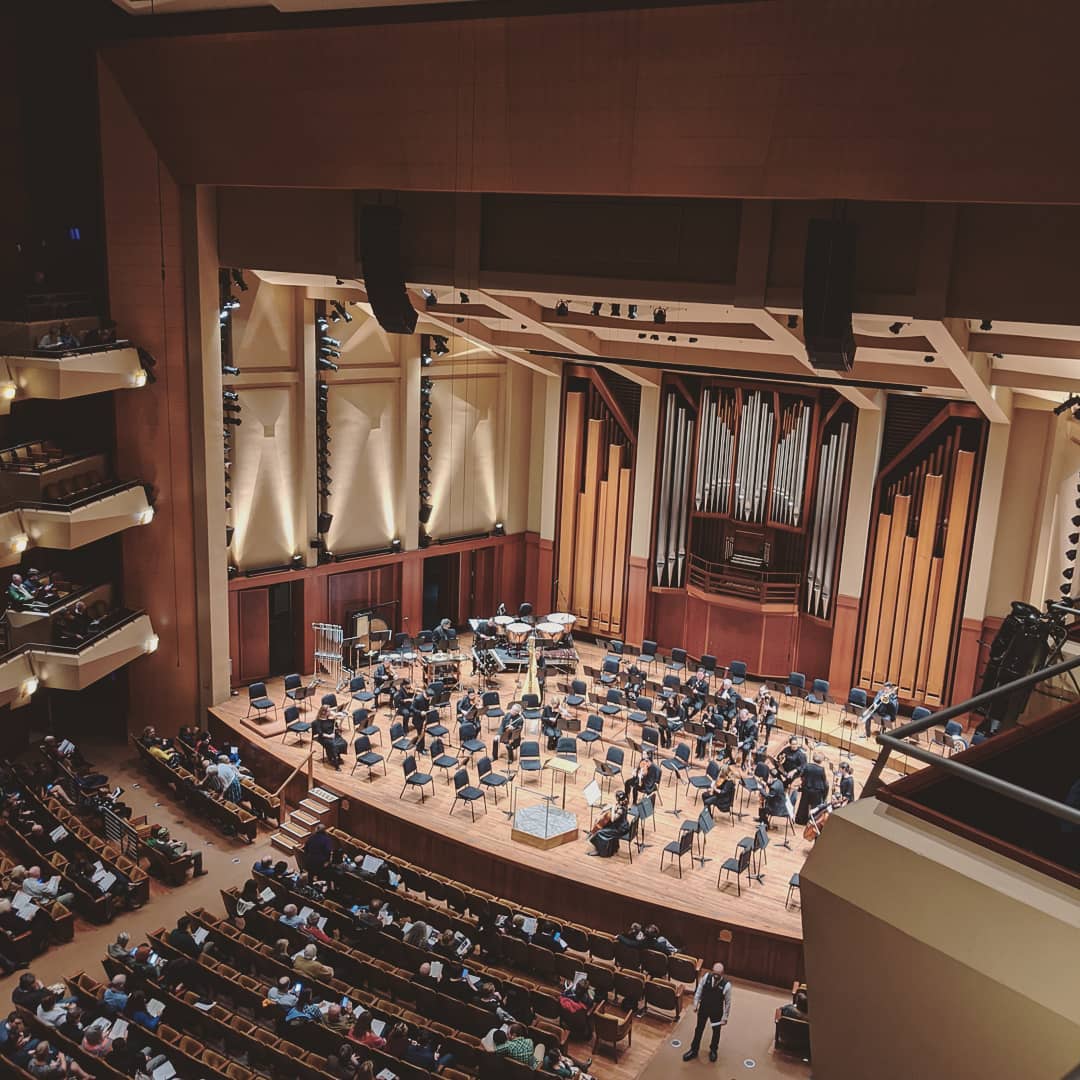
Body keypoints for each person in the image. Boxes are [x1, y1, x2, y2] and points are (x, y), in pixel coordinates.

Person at [682, 962, 732, 1063]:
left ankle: (713, 1050)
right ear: (712, 971)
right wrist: (695, 1003)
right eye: (714, 974)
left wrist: (725, 1017)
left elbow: (727, 1003)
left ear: (722, 974)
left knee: (716, 1031)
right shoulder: (706, 977)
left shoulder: (727, 985)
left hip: (716, 1011)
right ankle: (694, 1050)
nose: (716, 976)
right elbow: (699, 990)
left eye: (718, 975)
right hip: (704, 1008)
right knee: (699, 1029)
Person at [588, 791, 632, 857]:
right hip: (623, 826)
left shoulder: (621, 810)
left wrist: (613, 808)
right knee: (606, 826)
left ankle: (601, 852)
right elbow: (616, 806)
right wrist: (608, 808)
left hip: (620, 829)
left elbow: (613, 819)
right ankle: (612, 848)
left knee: (599, 833)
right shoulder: (624, 803)